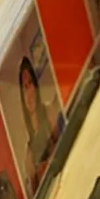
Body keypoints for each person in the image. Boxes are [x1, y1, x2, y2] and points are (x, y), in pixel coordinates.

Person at [15, 51, 60, 183]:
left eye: (31, 83)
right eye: (25, 87)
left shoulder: (48, 112)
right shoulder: (25, 140)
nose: (29, 92)